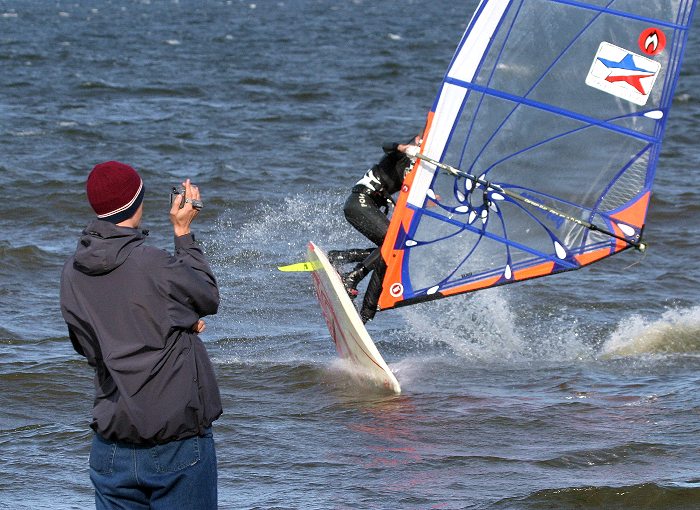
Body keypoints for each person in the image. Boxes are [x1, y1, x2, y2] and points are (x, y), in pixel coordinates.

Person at [60, 161, 222, 509]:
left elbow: (89, 347)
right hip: (175, 440)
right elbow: (207, 296)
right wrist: (183, 234)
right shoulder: (153, 262)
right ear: (138, 201)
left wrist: (172, 319)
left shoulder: (72, 270)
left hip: (110, 444)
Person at [332, 136, 420, 323]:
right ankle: (352, 277)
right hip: (360, 202)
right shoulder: (400, 156)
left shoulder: (417, 168)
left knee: (391, 252)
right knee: (392, 242)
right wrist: (405, 148)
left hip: (364, 206)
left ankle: (365, 312)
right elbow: (387, 145)